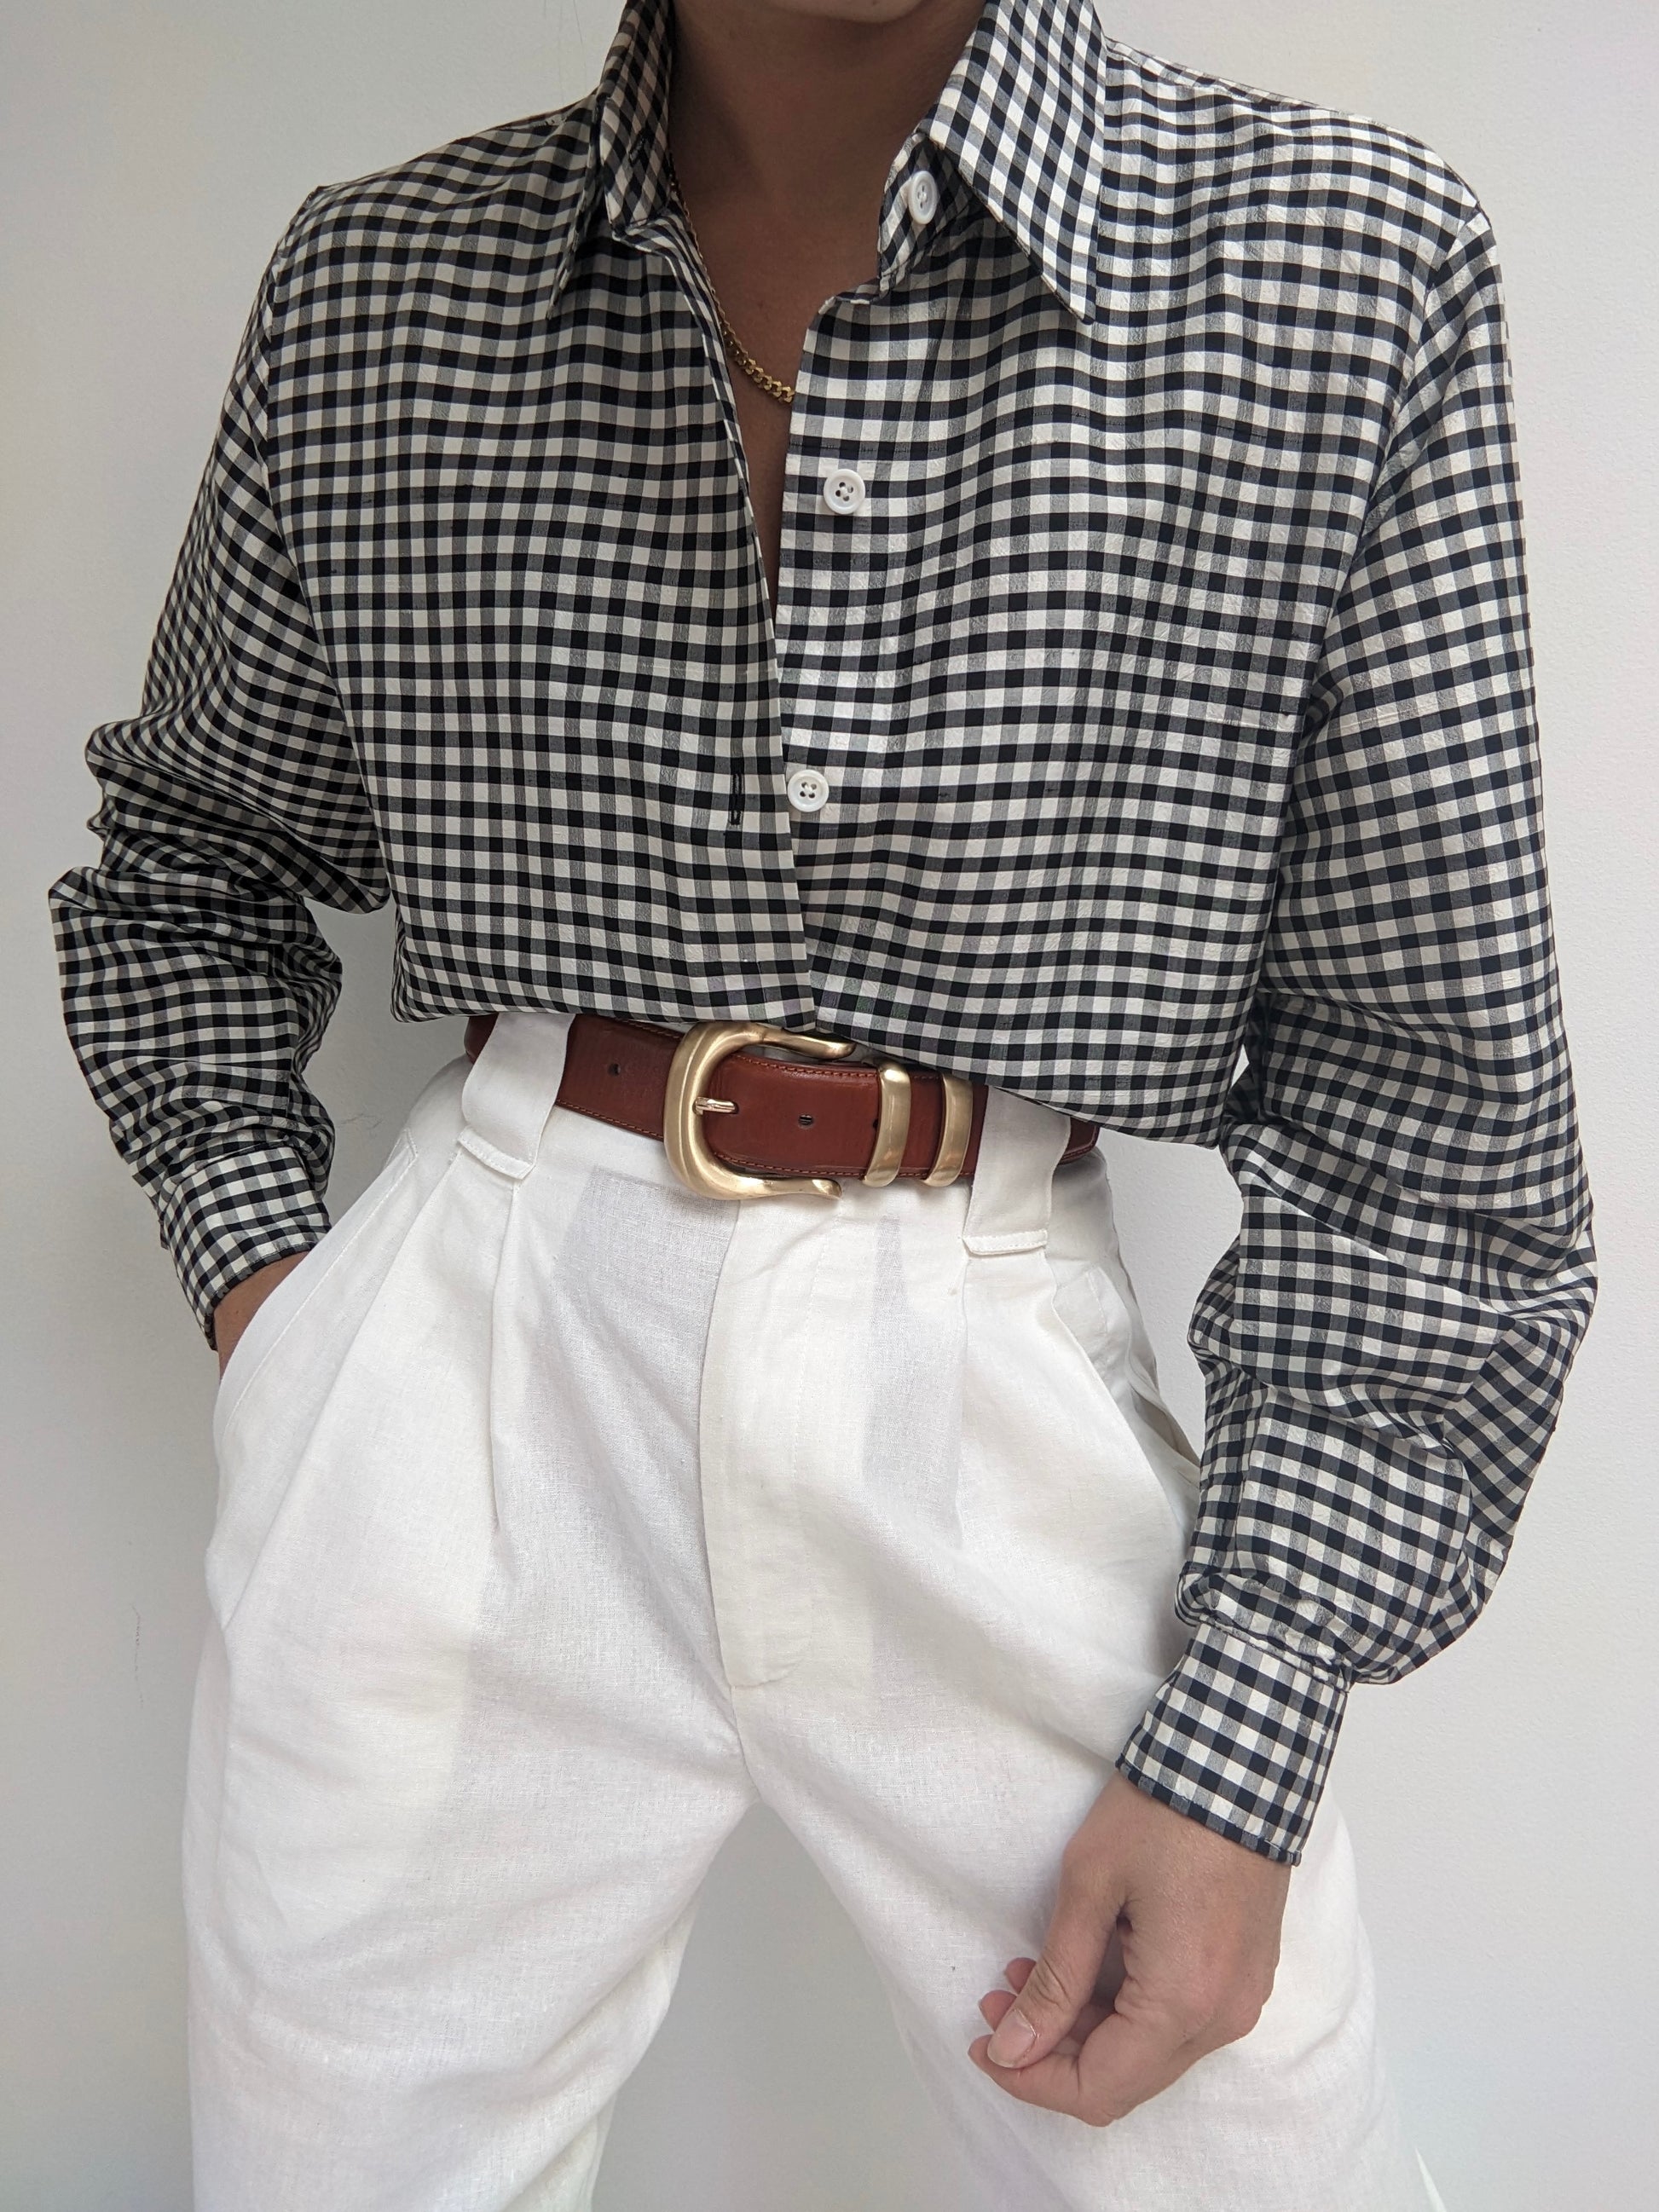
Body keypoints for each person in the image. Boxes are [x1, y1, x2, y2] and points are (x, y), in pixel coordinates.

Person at [49, 0, 1595, 2202]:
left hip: (987, 1357)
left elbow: (1423, 1101)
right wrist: (288, 1330)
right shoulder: (384, 282)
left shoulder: (1335, 265)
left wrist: (1251, 1713)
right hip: (477, 1356)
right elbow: (189, 866)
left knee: (1251, 2160)